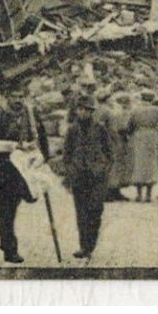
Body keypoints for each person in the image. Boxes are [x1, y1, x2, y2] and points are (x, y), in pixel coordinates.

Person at [59, 91, 114, 260]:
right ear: (76, 111)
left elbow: (109, 153)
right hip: (79, 177)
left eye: (88, 110)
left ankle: (91, 243)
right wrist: (70, 170)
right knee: (81, 213)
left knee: (95, 210)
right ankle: (84, 247)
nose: (84, 112)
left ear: (92, 111)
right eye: (81, 109)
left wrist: (104, 170)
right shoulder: (72, 130)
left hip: (97, 177)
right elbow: (66, 154)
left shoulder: (100, 129)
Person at [0, 140, 35, 263]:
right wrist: (29, 197)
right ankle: (9, 250)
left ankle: (6, 246)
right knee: (7, 223)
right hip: (13, 198)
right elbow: (22, 183)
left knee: (4, 222)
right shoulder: (12, 166)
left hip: (3, 198)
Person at [124, 92, 158, 201]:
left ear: (142, 98)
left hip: (139, 137)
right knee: (151, 165)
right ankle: (148, 195)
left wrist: (131, 133)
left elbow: (129, 125)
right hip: (152, 137)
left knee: (138, 165)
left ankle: (139, 194)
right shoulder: (156, 110)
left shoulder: (135, 110)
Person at [103, 92, 133, 202]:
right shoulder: (116, 113)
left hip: (119, 139)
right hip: (116, 139)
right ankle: (110, 190)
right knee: (115, 165)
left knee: (120, 165)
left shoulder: (119, 112)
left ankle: (116, 190)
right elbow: (119, 128)